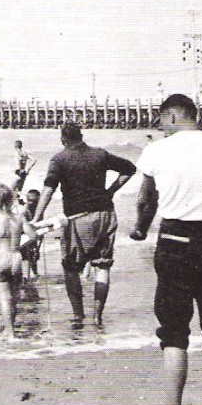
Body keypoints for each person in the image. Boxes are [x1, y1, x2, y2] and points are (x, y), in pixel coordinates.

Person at [130, 94, 202, 405]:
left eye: (162, 119)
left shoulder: (156, 151)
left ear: (174, 117)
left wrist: (139, 229)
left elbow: (146, 199)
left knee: (174, 331)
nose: (160, 126)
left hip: (174, 239)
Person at [32, 122, 136, 327]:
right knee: (102, 266)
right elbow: (129, 169)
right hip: (106, 215)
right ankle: (97, 316)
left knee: (71, 268)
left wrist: (36, 218)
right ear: (81, 136)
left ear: (63, 139)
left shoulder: (59, 159)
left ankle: (78, 315)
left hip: (79, 218)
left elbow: (48, 190)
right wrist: (112, 190)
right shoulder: (100, 154)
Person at [0, 184, 38, 339]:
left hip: (1, 257)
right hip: (16, 258)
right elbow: (33, 236)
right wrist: (22, 243)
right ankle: (10, 327)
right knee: (14, 297)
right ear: (12, 200)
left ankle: (10, 331)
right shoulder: (20, 219)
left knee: (4, 298)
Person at [21, 188, 42, 278]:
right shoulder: (24, 210)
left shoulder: (39, 212)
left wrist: (38, 247)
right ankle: (26, 276)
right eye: (29, 200)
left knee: (34, 256)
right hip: (22, 236)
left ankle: (34, 274)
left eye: (34, 201)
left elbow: (41, 232)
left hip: (33, 236)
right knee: (26, 256)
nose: (31, 203)